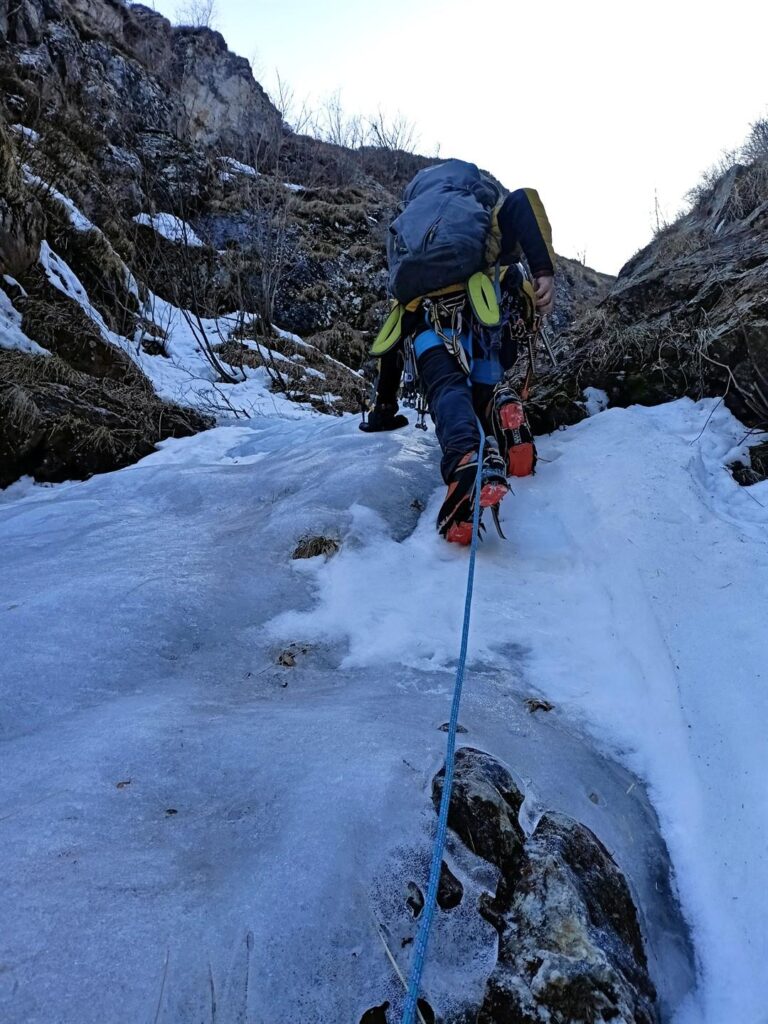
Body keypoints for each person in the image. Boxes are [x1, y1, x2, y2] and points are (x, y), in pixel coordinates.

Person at [361, 179, 555, 545]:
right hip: (486, 313)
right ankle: (501, 409)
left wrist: (384, 408)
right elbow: (523, 200)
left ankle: (467, 461)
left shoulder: (409, 238)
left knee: (447, 388)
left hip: (429, 323)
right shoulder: (478, 218)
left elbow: (392, 330)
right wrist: (543, 271)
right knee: (482, 389)